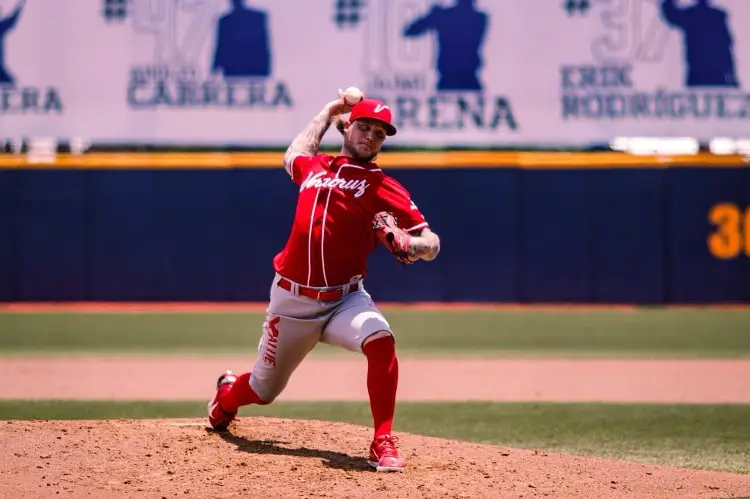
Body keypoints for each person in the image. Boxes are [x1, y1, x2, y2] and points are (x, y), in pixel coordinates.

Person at [207, 90, 441, 472]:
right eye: (364, 126)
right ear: (347, 127)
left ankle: (382, 439)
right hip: (292, 301)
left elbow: (431, 242)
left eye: (379, 133)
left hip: (344, 299)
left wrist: (413, 245)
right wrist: (328, 110)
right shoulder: (315, 167)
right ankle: (225, 399)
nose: (370, 136)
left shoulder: (383, 185)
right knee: (263, 390)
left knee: (381, 340)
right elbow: (293, 152)